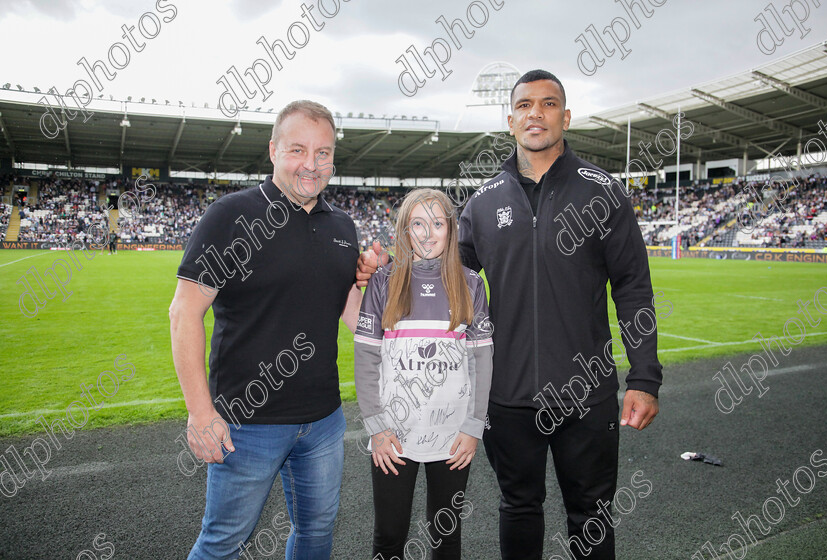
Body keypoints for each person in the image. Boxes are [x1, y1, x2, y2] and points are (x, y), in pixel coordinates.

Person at [357, 70, 662, 560]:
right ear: (510, 119)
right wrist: (388, 268)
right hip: (510, 396)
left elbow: (633, 287)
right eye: (524, 105)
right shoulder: (483, 202)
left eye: (547, 104)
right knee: (519, 507)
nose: (534, 114)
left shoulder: (603, 192)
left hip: (587, 392)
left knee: (592, 516)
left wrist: (644, 377)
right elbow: (442, 271)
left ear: (565, 116)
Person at [169, 100, 362, 560]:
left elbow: (352, 312)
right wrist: (200, 412)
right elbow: (184, 312)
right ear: (273, 150)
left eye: (323, 153)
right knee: (222, 545)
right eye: (298, 150)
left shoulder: (342, 226)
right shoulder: (230, 215)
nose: (311, 164)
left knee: (316, 533)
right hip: (246, 423)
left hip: (324, 421)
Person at [354, 188, 493, 560]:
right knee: (389, 536)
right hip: (393, 437)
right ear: (404, 230)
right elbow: (366, 362)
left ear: (451, 231)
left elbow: (482, 362)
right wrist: (377, 428)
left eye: (437, 224)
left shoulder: (472, 285)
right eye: (417, 223)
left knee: (446, 537)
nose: (428, 234)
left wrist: (472, 426)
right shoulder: (383, 282)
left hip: (453, 437)